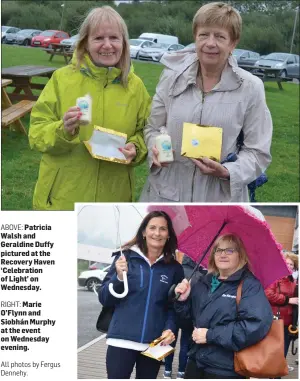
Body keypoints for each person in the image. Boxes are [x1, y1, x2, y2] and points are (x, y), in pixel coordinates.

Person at [140, 2, 272, 203]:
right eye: (204, 35)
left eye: (220, 36)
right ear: (195, 37)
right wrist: (155, 149)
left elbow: (258, 152)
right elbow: (152, 128)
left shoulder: (251, 87)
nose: (210, 43)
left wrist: (228, 170)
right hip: (166, 194)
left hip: (219, 198)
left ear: (233, 43)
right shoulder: (171, 77)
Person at [29, 6, 151, 210]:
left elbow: (147, 131)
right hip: (63, 198)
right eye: (98, 38)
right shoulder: (62, 79)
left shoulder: (135, 86)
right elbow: (36, 133)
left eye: (114, 37)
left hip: (113, 198)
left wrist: (136, 148)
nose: (107, 45)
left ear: (124, 43)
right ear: (85, 42)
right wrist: (63, 130)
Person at [99, 211, 184, 379]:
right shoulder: (124, 257)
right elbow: (104, 298)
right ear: (144, 232)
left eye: (163, 229)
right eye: (152, 228)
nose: (157, 233)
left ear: (168, 235)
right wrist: (118, 278)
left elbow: (173, 307)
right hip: (121, 340)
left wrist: (170, 328)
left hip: (155, 343)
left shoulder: (174, 268)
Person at [174, 233, 273, 379]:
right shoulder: (203, 282)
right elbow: (187, 322)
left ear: (241, 255)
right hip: (196, 363)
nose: (223, 254)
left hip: (226, 369)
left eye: (230, 250)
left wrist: (210, 335)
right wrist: (182, 301)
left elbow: (255, 326)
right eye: (218, 250)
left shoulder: (249, 285)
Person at [163, 255, 207, 379]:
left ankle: (167, 370)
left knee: (170, 341)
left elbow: (169, 292)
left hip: (173, 313)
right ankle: (181, 372)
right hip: (188, 316)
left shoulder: (178, 270)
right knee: (185, 345)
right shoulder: (201, 276)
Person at [265, 252, 298, 360]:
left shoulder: (293, 282)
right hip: (274, 320)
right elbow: (269, 294)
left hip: (288, 323)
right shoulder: (275, 278)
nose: (289, 266)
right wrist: (288, 300)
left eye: (291, 264)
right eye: (287, 263)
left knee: (282, 354)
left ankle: (276, 375)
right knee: (271, 351)